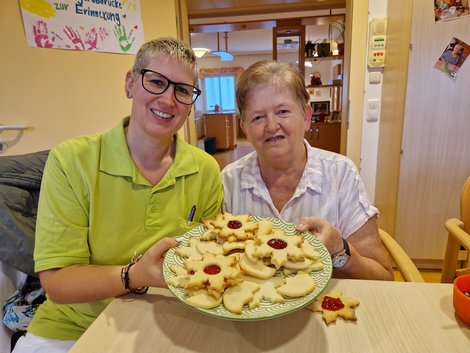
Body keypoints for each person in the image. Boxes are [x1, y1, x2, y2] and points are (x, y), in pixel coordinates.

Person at [13, 37, 223, 353]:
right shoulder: (72, 161)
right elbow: (57, 283)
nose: (168, 100)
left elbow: (211, 259)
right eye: (156, 82)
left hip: (171, 319)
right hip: (74, 329)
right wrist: (134, 275)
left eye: (182, 90)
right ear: (130, 83)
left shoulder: (205, 169)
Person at [222, 60, 393, 281]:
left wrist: (338, 249)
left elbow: (382, 277)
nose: (272, 126)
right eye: (257, 117)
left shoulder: (341, 174)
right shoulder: (229, 181)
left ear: (306, 117)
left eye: (282, 111)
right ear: (244, 127)